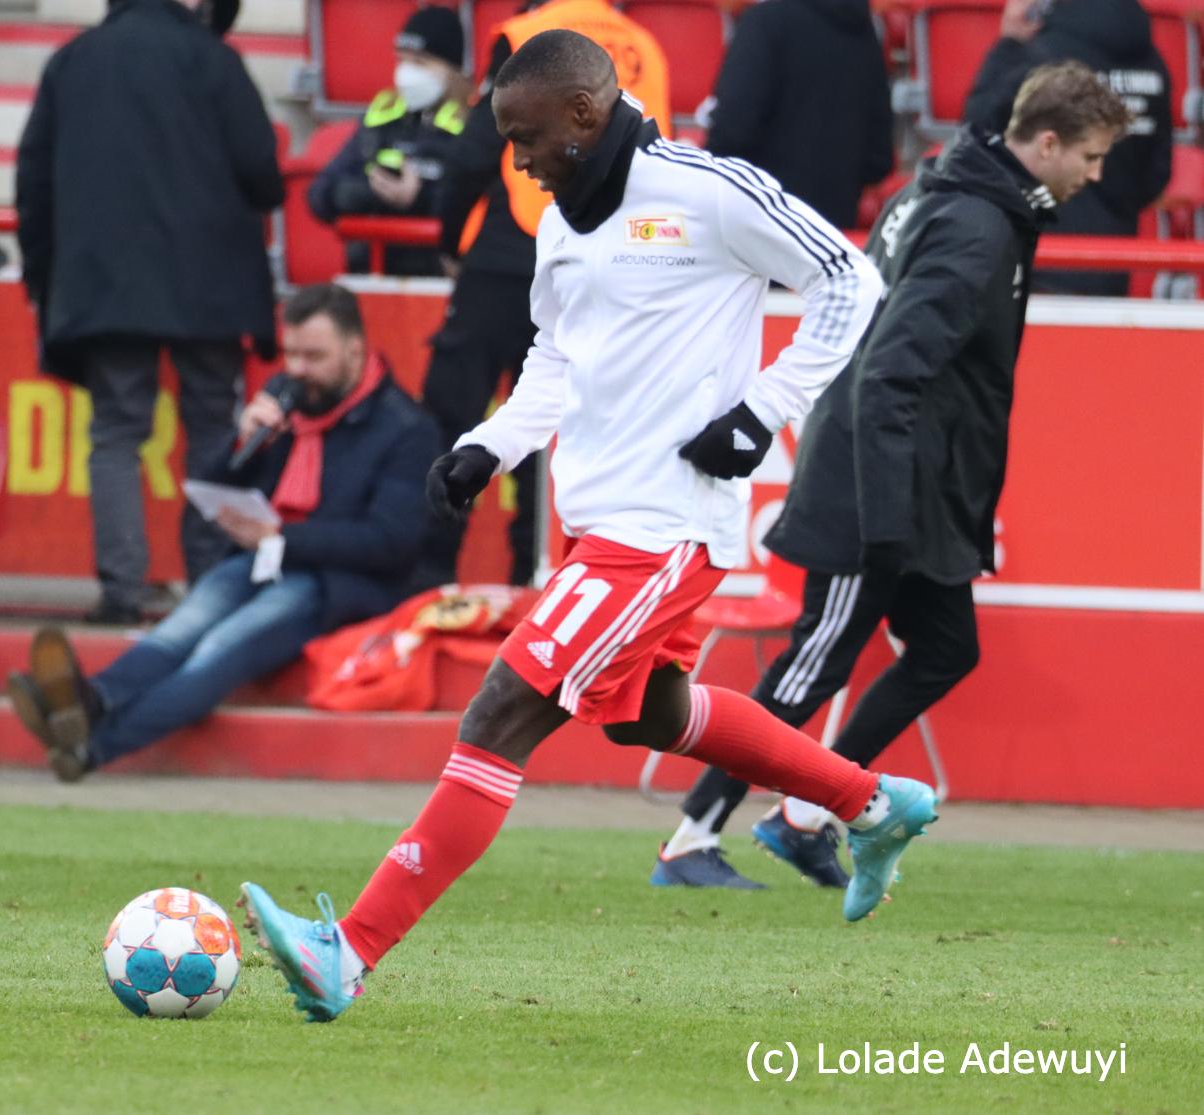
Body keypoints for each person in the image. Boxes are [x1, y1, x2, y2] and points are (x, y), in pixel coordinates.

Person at [237, 31, 941, 1024]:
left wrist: (761, 408)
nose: (516, 163)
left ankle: (347, 949)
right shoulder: (562, 222)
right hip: (597, 515)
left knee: (498, 713)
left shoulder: (709, 191)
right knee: (646, 712)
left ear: (583, 111)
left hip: (665, 524)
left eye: (524, 139)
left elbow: (849, 281)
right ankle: (869, 803)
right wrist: (491, 443)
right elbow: (555, 353)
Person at [660, 61, 1130, 890]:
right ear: (1047, 143)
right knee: (817, 659)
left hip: (913, 478)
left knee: (945, 648)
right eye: (1090, 156)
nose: (1095, 175)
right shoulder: (978, 227)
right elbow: (886, 374)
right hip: (879, 481)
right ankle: (690, 836)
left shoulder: (950, 193)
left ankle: (804, 814)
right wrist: (881, 520)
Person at [6, 284, 439, 782]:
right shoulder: (286, 400)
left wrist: (281, 538)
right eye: (291, 353)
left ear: (355, 351)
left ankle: (91, 746)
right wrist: (243, 438)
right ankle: (90, 700)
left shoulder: (407, 428)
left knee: (218, 650)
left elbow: (391, 541)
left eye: (313, 356)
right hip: (262, 559)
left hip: (337, 585)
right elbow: (213, 483)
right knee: (179, 631)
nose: (296, 369)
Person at [15, 0, 284, 626]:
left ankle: (121, 590)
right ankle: (211, 586)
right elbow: (262, 177)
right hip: (211, 284)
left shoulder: (71, 62)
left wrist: (42, 282)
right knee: (213, 429)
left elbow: (33, 185)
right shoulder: (216, 59)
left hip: (104, 285)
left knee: (115, 432)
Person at [415, 0, 670, 590]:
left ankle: (428, 589)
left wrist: (450, 240)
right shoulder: (643, 45)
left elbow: (478, 152)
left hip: (510, 257)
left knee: (454, 431)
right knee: (549, 437)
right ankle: (531, 589)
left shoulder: (524, 34)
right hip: (601, 264)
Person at [963, 0, 1169, 296]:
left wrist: (1008, 43)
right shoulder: (1154, 62)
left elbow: (976, 131)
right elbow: (1156, 174)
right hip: (1112, 263)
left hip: (1040, 262)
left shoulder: (1040, 55)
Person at [703, 0, 894, 232]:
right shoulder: (865, 30)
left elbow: (731, 132)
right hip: (833, 236)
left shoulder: (765, 22)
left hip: (758, 228)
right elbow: (878, 158)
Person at [308, 6, 470, 277]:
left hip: (439, 278)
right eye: (402, 60)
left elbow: (478, 207)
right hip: (371, 275)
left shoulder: (470, 127)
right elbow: (318, 196)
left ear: (452, 69)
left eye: (420, 62)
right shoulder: (381, 119)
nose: (407, 73)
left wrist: (419, 197)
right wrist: (368, 194)